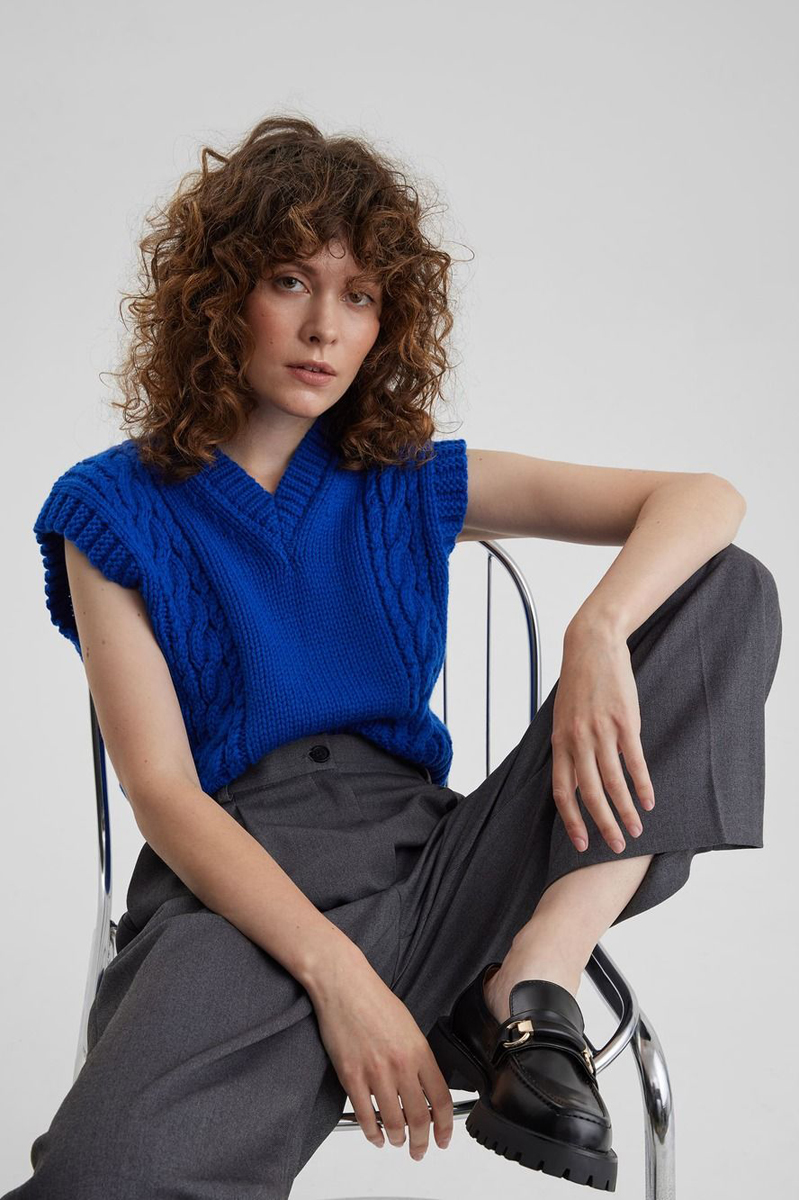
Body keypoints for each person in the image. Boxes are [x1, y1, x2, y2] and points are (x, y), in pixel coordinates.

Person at [6, 114, 782, 1198]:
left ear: (388, 321)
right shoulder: (111, 507)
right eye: (289, 280)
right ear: (216, 296)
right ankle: (447, 994)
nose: (325, 327)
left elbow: (703, 499)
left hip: (441, 868)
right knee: (99, 1176)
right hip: (240, 897)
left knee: (726, 588)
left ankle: (534, 980)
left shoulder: (404, 476)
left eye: (360, 295)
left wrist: (596, 628)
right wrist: (341, 982)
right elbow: (165, 796)